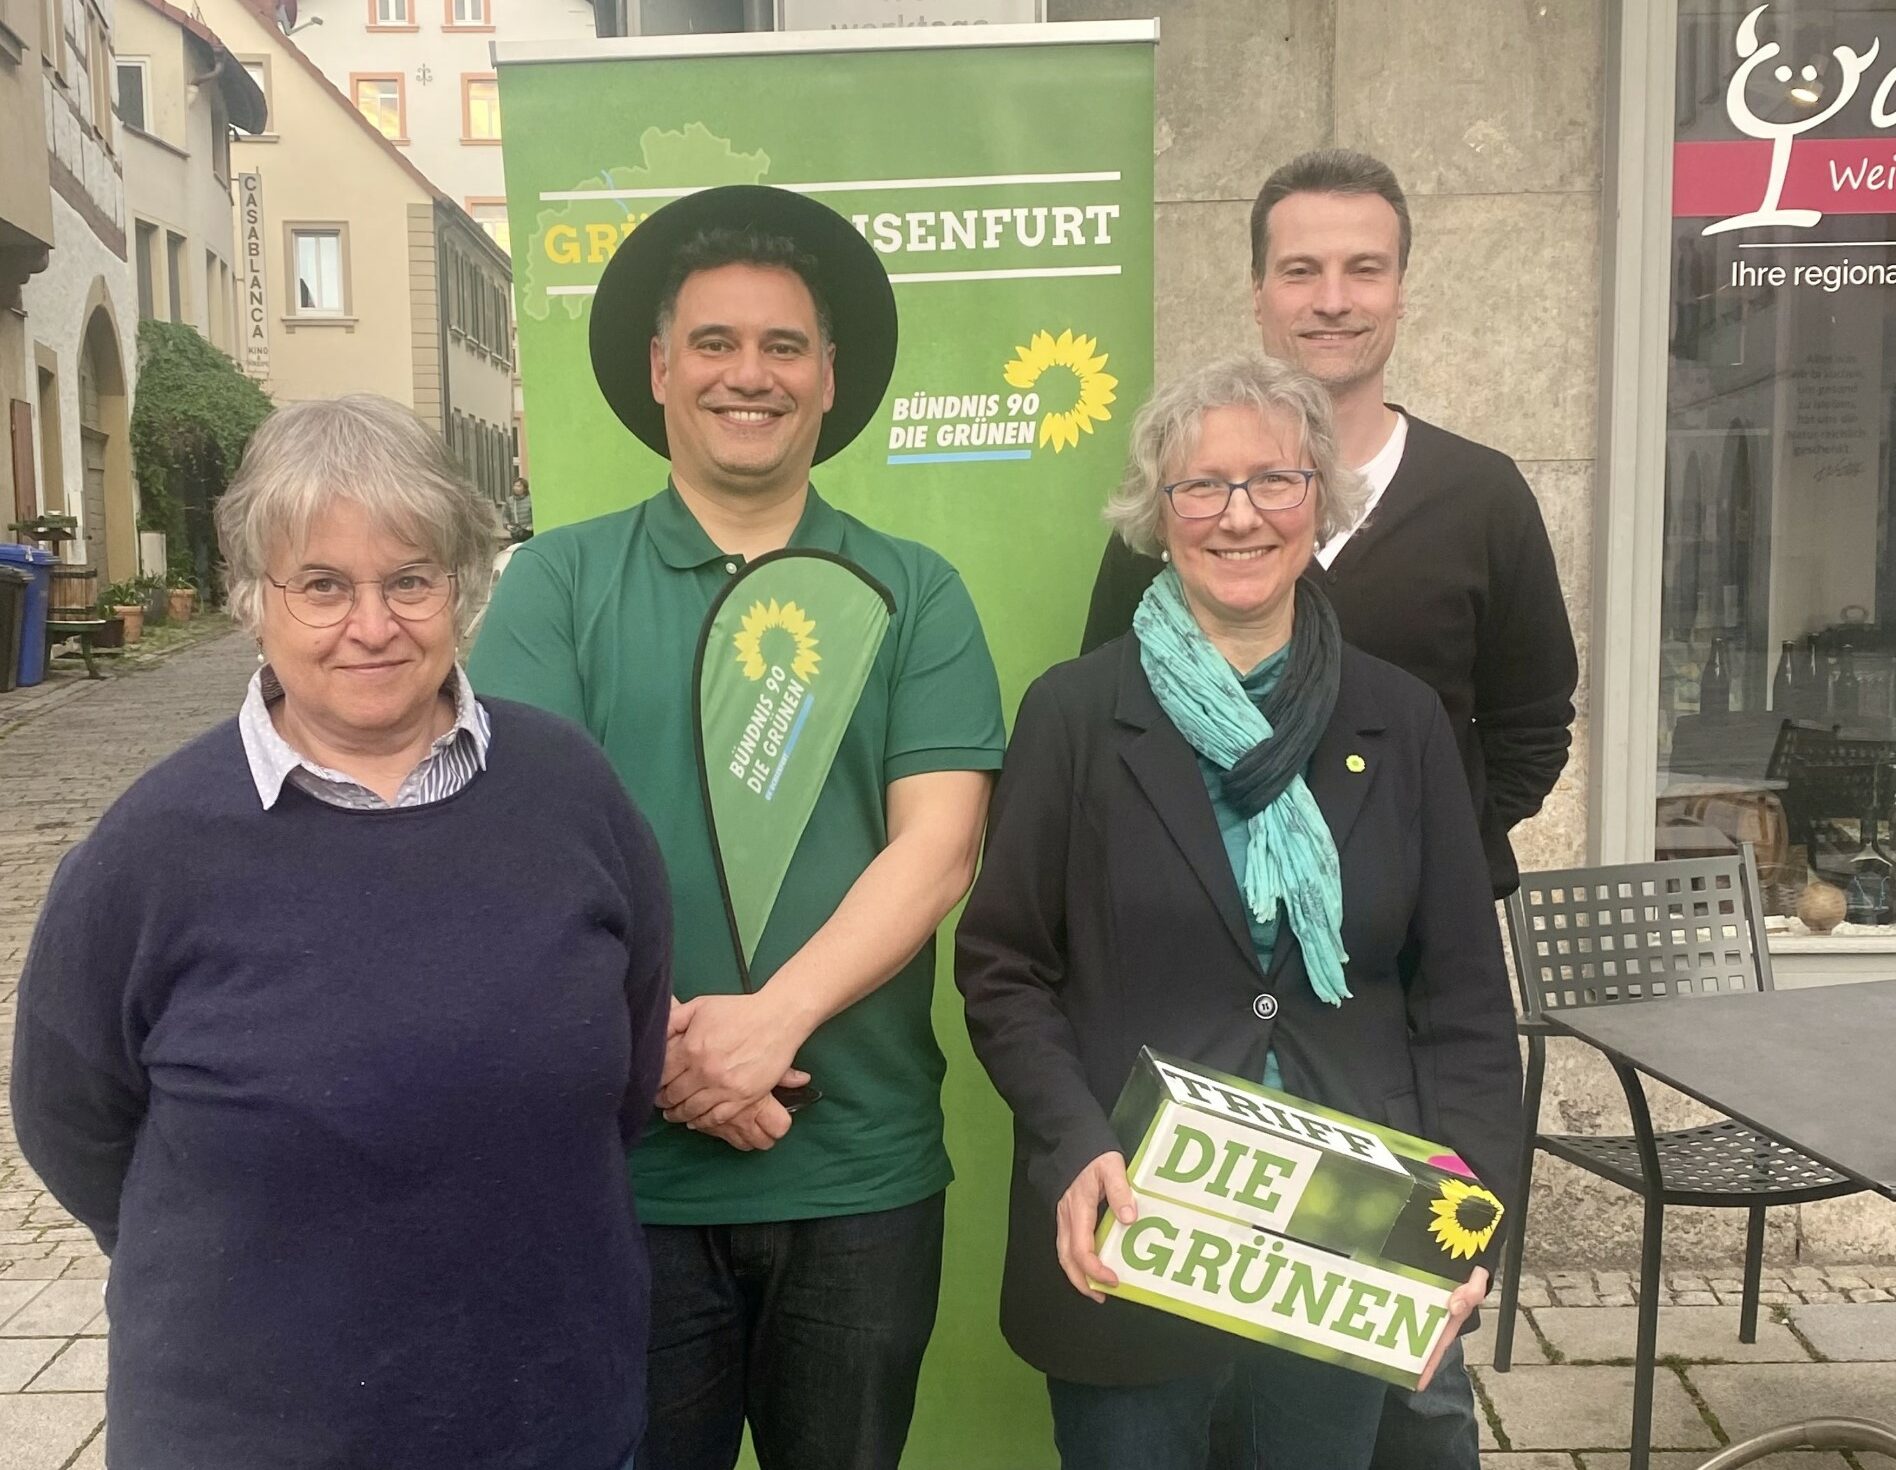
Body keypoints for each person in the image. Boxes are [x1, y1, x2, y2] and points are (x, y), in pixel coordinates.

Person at [11, 393, 672, 1470]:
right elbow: (71, 1124)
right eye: (322, 585)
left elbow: (625, 1079)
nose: (372, 624)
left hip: (547, 1418)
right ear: (252, 600)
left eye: (409, 578)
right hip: (248, 1431)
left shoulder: (571, 795)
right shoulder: (151, 849)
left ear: (459, 589)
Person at [469, 185, 1005, 1470]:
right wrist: (659, 1053)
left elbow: (939, 849)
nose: (746, 375)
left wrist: (766, 1028)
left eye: (781, 346)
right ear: (661, 370)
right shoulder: (556, 583)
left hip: (858, 1176)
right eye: (713, 343)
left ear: (829, 376)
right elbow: (517, 850)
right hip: (623, 1173)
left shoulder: (915, 593)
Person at [957, 353, 1524, 1470]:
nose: (1239, 516)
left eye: (1274, 481)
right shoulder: (1075, 714)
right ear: (1158, 516)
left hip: (1348, 1239)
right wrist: (1072, 1144)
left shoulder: (1400, 722)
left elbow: (1460, 997)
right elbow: (1004, 968)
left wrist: (1468, 1223)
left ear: (1321, 499)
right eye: (1203, 487)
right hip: (1134, 1221)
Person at [1081, 149, 1577, 905]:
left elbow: (1531, 727)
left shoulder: (1482, 496)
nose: (1333, 299)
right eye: (1301, 270)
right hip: (1204, 931)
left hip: (1418, 940)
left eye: (1365, 269)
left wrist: (1418, 842)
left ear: (1401, 291)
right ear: (1258, 293)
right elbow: (1108, 720)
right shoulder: (1174, 501)